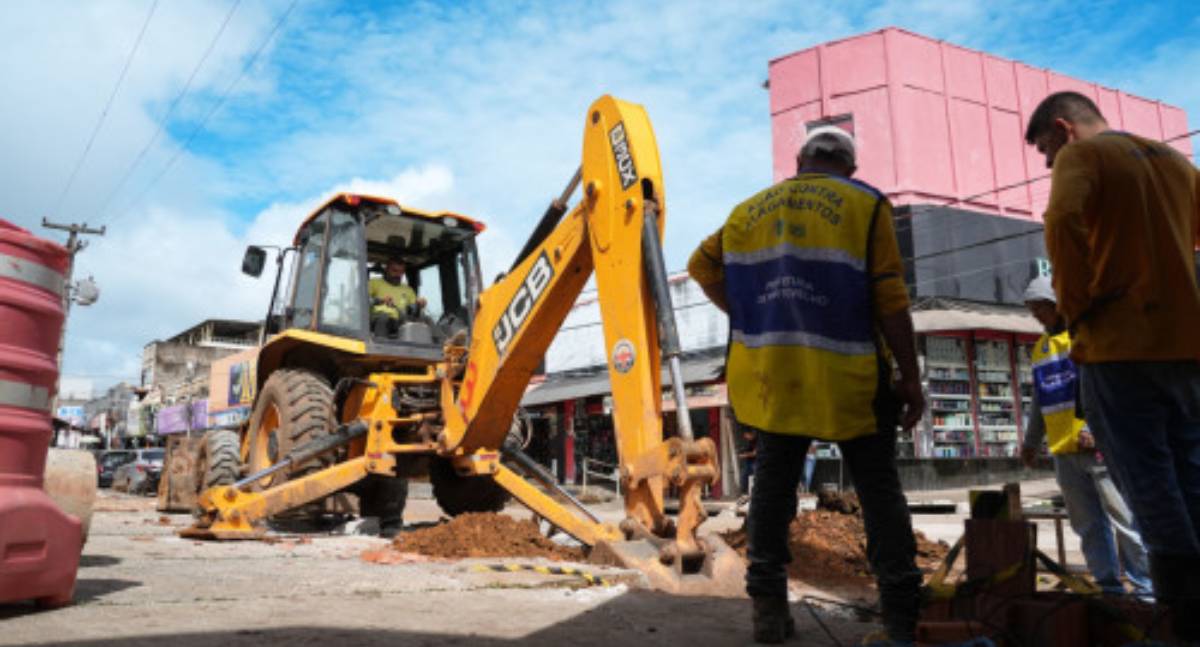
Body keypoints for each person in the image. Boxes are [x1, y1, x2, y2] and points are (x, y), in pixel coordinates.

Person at [689, 126, 925, 645]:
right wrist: (910, 376)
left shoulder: (746, 212)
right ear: (851, 168)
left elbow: (699, 266)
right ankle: (901, 612)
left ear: (799, 161)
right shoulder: (866, 205)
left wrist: (751, 313)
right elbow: (890, 299)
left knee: (773, 489)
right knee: (878, 492)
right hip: (850, 377)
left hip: (775, 377)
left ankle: (768, 610)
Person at [1027, 90, 1200, 639]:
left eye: (1047, 150)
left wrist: (1075, 308)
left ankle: (1182, 622)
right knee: (1192, 479)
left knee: (1149, 488)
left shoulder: (1084, 155)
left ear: (1064, 129)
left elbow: (1062, 219)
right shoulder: (1175, 161)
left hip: (1118, 348)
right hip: (1186, 348)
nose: (1050, 163)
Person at [1020, 276, 1153, 599]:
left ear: (1056, 305)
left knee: (1125, 521)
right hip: (1063, 451)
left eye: (1040, 308)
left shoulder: (1084, 338)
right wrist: (1031, 441)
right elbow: (1040, 399)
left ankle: (1145, 589)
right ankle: (1108, 588)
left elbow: (1103, 386)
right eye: (1032, 309)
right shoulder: (1041, 349)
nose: (1037, 315)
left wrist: (1092, 428)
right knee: (1087, 524)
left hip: (1098, 447)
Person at [369, 257, 425, 337]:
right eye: (394, 271)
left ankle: (441, 342)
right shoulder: (373, 283)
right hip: (379, 321)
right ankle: (380, 343)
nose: (398, 275)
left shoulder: (408, 290)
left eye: (401, 272)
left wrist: (419, 305)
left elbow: (412, 309)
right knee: (384, 318)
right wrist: (380, 300)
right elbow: (362, 302)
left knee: (426, 319)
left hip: (401, 322)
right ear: (386, 269)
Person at [738, 425, 757, 499]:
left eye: (746, 435)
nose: (745, 436)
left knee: (756, 475)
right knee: (744, 475)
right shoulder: (748, 441)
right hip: (749, 462)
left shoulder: (757, 441)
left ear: (751, 433)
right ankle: (744, 493)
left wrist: (745, 455)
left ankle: (756, 492)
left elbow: (755, 453)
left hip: (756, 461)